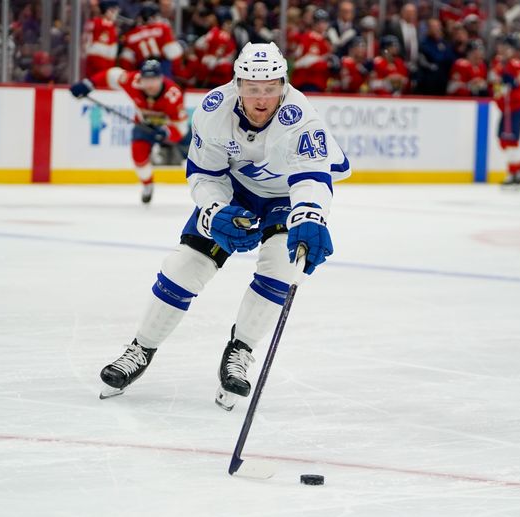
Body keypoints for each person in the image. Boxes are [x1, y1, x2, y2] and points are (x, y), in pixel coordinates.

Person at [95, 42, 351, 410]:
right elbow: (203, 174)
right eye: (252, 88)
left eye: (270, 88)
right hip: (236, 191)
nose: (261, 99)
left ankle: (241, 350)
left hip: (285, 197)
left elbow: (311, 179)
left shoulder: (303, 119)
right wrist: (215, 210)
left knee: (280, 268)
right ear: (237, 84)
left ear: (283, 84)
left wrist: (311, 217)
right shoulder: (214, 110)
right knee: (186, 266)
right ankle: (140, 348)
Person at [69, 59, 188, 203]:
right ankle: (147, 185)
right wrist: (89, 83)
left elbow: (182, 127)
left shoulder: (173, 95)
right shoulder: (132, 81)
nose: (150, 85)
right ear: (140, 78)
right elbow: (112, 75)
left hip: (167, 129)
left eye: (154, 79)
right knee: (138, 154)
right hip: (143, 125)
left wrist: (166, 133)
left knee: (189, 155)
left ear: (161, 78)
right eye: (146, 79)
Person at [490, 35, 520, 186]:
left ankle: (514, 173)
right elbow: (497, 85)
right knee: (502, 139)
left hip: (517, 106)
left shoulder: (515, 64)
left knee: (511, 139)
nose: (502, 49)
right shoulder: (498, 63)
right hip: (506, 108)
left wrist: (509, 81)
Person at [119, 1, 182, 75]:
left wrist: (131, 75)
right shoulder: (163, 28)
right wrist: (177, 72)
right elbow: (173, 53)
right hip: (162, 65)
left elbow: (126, 60)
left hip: (143, 67)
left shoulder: (130, 34)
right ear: (154, 16)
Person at [292, 8, 332, 92]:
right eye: (320, 22)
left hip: (319, 82)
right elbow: (308, 61)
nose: (323, 25)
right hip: (308, 82)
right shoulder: (309, 37)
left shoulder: (324, 39)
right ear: (314, 23)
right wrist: (328, 64)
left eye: (325, 22)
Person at [85, 0, 120, 77]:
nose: (116, 14)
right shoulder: (99, 23)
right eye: (113, 10)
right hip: (98, 64)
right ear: (107, 11)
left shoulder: (110, 26)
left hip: (104, 64)